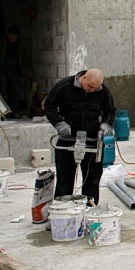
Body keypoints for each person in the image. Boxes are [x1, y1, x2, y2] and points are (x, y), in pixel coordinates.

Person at [44, 68, 115, 205]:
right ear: (83, 78)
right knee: (65, 179)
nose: (93, 90)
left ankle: (89, 207)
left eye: (96, 87)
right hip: (67, 140)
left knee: (92, 179)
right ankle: (62, 209)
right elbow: (49, 105)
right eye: (90, 86)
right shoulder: (64, 86)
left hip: (92, 140)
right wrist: (59, 124)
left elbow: (110, 110)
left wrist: (106, 125)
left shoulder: (103, 91)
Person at [0, 25, 27, 117]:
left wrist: (27, 70)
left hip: (15, 72)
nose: (12, 37)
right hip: (4, 71)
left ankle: (15, 112)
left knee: (14, 93)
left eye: (14, 35)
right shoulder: (3, 43)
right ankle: (5, 113)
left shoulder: (20, 45)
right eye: (10, 35)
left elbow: (25, 58)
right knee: (4, 92)